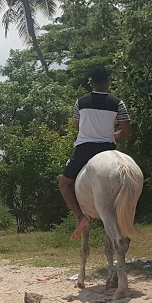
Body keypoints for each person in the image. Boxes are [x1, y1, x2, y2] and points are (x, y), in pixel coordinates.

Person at [59, 66, 132, 240]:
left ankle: (81, 217)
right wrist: (114, 136)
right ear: (109, 82)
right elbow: (127, 131)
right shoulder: (118, 103)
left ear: (91, 82)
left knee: (63, 184)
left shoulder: (81, 102)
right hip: (108, 148)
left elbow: (78, 126)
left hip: (85, 149)